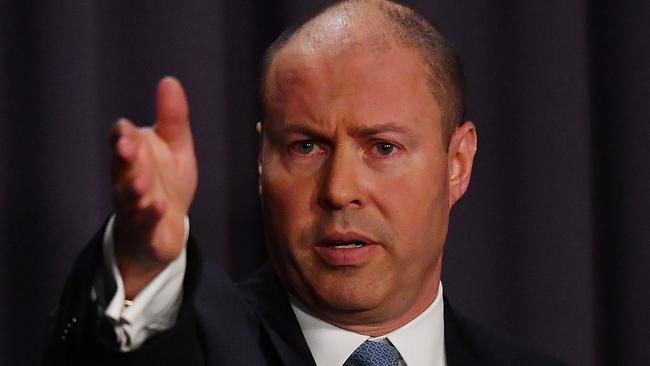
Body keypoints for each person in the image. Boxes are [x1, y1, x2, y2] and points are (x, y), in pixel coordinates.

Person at [44, 1, 568, 365]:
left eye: (382, 148)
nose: (338, 189)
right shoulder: (197, 342)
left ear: (457, 162)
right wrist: (140, 266)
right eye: (305, 147)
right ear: (261, 159)